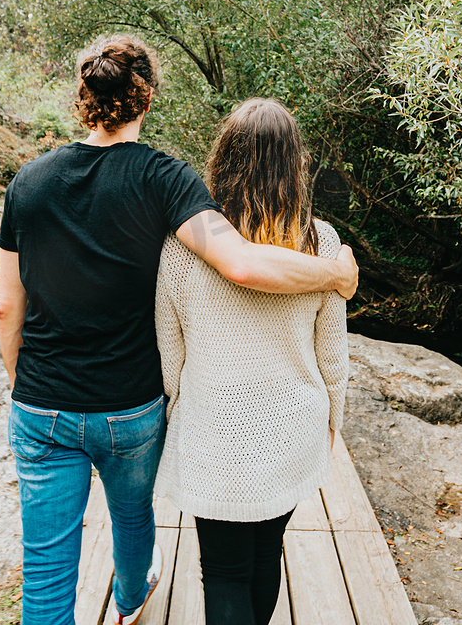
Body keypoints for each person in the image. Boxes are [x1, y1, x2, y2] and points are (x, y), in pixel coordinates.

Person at [0, 35, 358, 625]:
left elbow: (11, 311)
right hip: (151, 411)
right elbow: (250, 274)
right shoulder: (167, 181)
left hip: (53, 405)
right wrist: (338, 276)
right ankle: (132, 596)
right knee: (159, 524)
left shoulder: (28, 183)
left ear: (83, 96)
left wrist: (24, 387)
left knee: (48, 570)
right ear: (147, 97)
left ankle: (123, 598)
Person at [154, 97, 350, 625]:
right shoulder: (322, 242)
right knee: (266, 556)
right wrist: (333, 418)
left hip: (215, 428)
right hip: (291, 426)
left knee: (222, 571)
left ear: (224, 157)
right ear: (294, 163)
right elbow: (332, 354)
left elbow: (170, 352)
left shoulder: (185, 244)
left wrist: (181, 407)